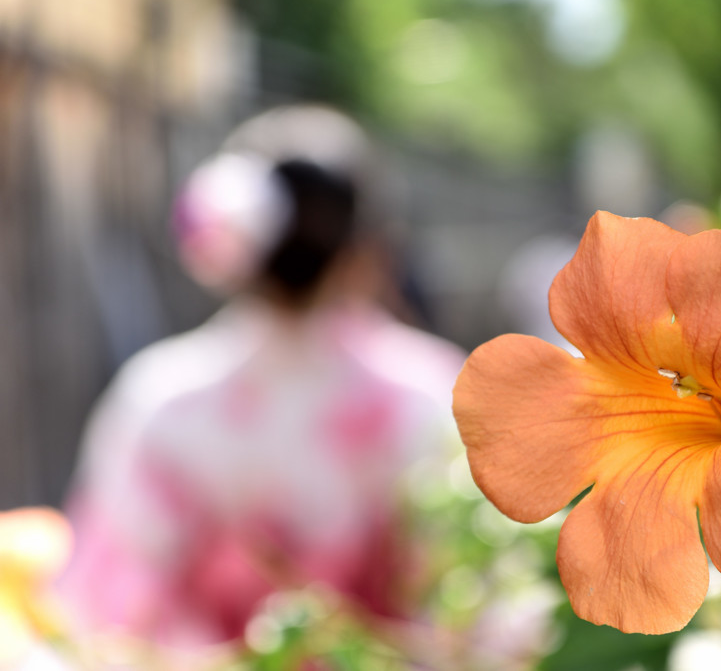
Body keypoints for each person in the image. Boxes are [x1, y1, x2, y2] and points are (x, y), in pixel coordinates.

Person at [57, 106, 466, 651]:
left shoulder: (161, 396)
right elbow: (474, 607)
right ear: (362, 246)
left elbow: (101, 618)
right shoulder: (429, 391)